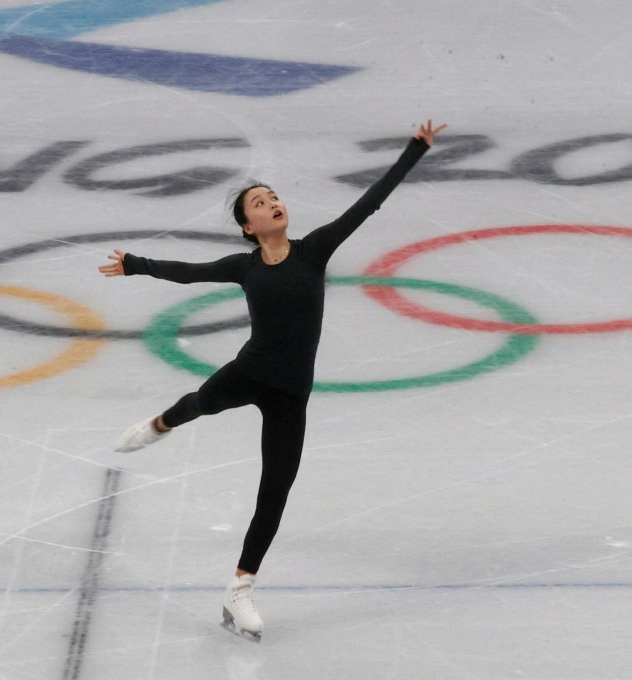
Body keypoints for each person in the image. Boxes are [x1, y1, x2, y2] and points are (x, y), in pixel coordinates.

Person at [98, 120, 446, 641]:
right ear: (247, 225)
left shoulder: (316, 250)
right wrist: (136, 265)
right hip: (248, 372)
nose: (273, 203)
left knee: (275, 490)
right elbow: (188, 272)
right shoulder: (244, 266)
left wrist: (413, 151)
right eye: (260, 202)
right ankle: (161, 423)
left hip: (290, 394)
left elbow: (369, 203)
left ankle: (239, 590)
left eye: (275, 197)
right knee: (199, 403)